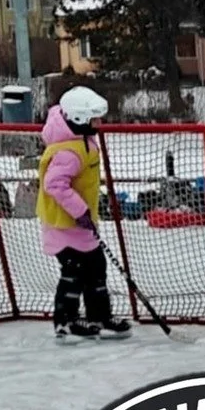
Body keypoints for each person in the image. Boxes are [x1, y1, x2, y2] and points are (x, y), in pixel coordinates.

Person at [36, 87, 131, 340]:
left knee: (96, 267)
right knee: (74, 273)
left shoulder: (84, 142)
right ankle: (65, 322)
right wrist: (80, 210)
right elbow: (54, 184)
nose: (99, 124)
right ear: (78, 119)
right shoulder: (68, 151)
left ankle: (99, 316)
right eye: (94, 119)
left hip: (81, 226)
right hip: (63, 226)